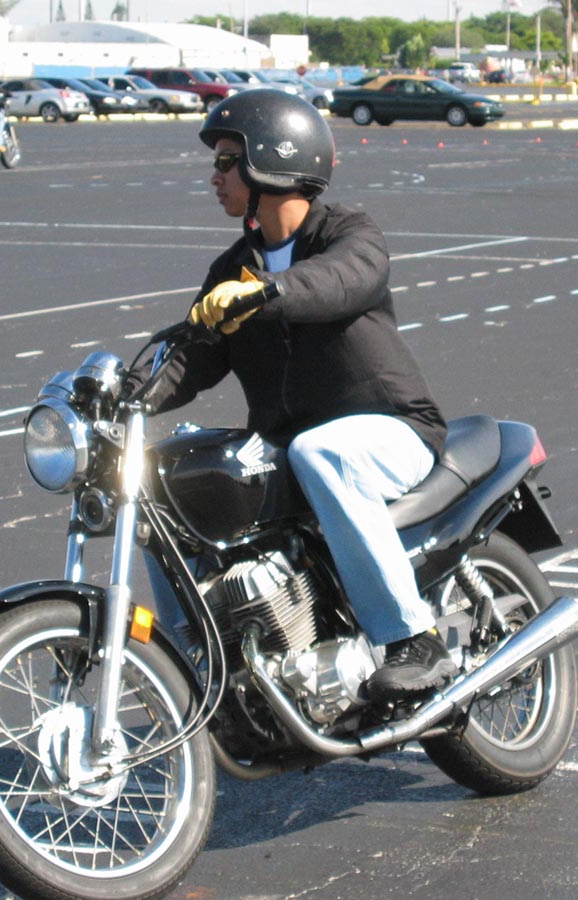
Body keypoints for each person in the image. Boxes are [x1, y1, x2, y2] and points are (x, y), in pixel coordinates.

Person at [135, 91, 455, 700]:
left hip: (393, 431)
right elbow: (194, 355)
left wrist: (267, 294)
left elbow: (342, 280)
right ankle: (195, 664)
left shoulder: (348, 234)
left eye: (226, 162)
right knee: (160, 477)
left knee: (321, 450)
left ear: (272, 162)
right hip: (289, 445)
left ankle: (412, 638)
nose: (214, 177)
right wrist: (126, 395)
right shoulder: (234, 268)